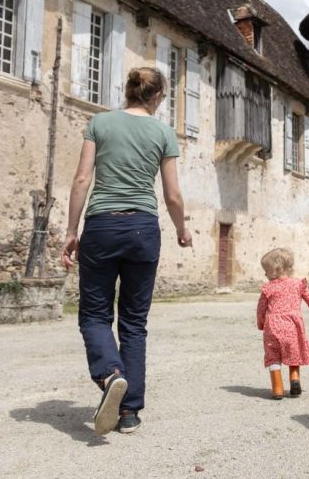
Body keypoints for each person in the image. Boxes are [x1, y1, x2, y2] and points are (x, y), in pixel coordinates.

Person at [61, 67, 192, 436]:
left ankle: (110, 375)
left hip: (101, 225)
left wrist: (72, 231)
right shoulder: (163, 132)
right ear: (158, 97)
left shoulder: (100, 124)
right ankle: (129, 412)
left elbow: (82, 179)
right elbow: (172, 195)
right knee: (134, 323)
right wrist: (182, 229)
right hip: (143, 229)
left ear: (129, 91)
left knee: (94, 316)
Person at [257, 247, 309, 399]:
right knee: (293, 353)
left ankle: (277, 388)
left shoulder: (268, 288)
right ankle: (294, 379)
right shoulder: (298, 284)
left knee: (273, 356)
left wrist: (260, 323)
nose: (265, 274)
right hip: (292, 326)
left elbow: (261, 308)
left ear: (276, 269)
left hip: (272, 327)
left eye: (267, 270)